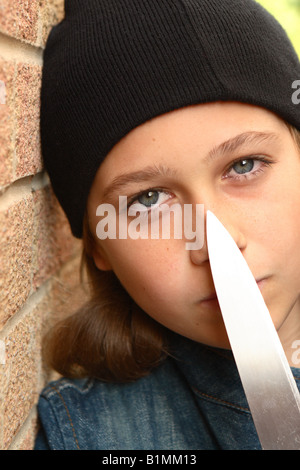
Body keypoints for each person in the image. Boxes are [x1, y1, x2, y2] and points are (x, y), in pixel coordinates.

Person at [34, 0, 300, 450]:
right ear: (100, 242)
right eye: (149, 200)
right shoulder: (92, 438)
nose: (218, 242)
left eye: (245, 164)